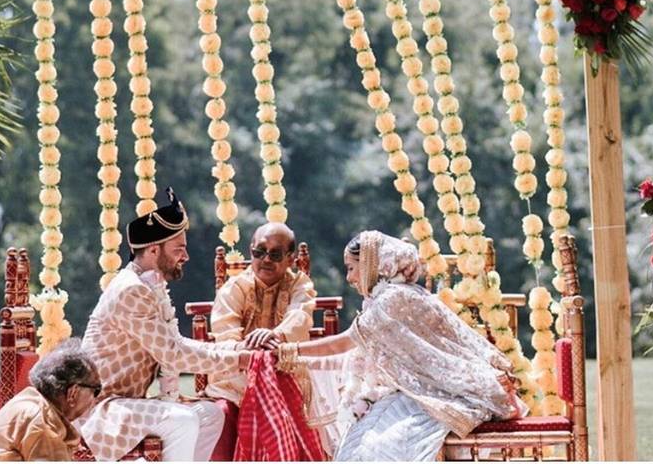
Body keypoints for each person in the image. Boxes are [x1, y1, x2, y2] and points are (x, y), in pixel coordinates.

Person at [277, 230, 526, 461]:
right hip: (426, 390)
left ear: (371, 266)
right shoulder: (396, 295)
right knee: (365, 433)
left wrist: (288, 350)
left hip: (443, 393)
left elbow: (342, 343)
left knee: (376, 443)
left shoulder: (391, 300)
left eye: (352, 268)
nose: (349, 278)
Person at [78, 188, 255, 462]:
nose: (185, 257)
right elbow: (173, 354)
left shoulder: (148, 287)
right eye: (178, 249)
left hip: (130, 404)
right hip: (103, 409)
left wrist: (236, 350)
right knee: (182, 421)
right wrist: (239, 360)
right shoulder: (131, 290)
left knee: (211, 415)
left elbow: (176, 344)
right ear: (152, 250)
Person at [204, 221, 318, 458]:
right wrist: (253, 354)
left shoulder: (300, 284)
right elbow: (225, 339)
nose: (266, 259)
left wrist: (274, 334)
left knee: (301, 410)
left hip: (287, 381)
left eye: (275, 254)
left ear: (290, 259)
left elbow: (300, 316)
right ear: (251, 251)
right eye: (259, 252)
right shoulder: (233, 289)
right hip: (236, 388)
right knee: (220, 413)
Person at [0, 338, 100, 461]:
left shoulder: (25, 401)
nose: (96, 399)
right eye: (96, 390)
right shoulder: (43, 424)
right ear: (73, 393)